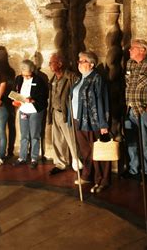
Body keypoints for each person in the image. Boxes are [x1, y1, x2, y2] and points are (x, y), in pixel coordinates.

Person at [70, 51, 110, 193]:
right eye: (79, 61)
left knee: (97, 151)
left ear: (91, 64)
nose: (79, 63)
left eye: (82, 61)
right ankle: (87, 175)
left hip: (92, 121)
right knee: (85, 151)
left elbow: (101, 100)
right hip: (78, 119)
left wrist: (103, 124)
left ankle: (102, 180)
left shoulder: (97, 78)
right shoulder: (78, 79)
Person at [123, 39, 147, 183]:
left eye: (133, 48)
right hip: (130, 108)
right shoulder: (129, 63)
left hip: (144, 109)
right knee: (131, 141)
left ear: (142, 50)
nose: (129, 50)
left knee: (146, 142)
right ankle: (133, 169)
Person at [47, 53, 81, 175]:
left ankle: (78, 164)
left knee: (72, 140)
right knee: (57, 140)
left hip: (67, 113)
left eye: (52, 62)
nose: (49, 65)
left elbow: (78, 95)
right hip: (55, 112)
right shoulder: (53, 79)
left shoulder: (71, 77)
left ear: (60, 64)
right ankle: (60, 163)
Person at [12, 60, 48, 169]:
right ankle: (22, 157)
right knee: (24, 135)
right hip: (23, 110)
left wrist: (32, 100)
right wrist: (14, 100)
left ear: (32, 71)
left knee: (35, 135)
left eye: (28, 75)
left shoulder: (39, 80)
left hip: (35, 110)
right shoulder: (18, 79)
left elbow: (44, 96)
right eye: (24, 75)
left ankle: (34, 158)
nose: (26, 77)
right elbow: (15, 91)